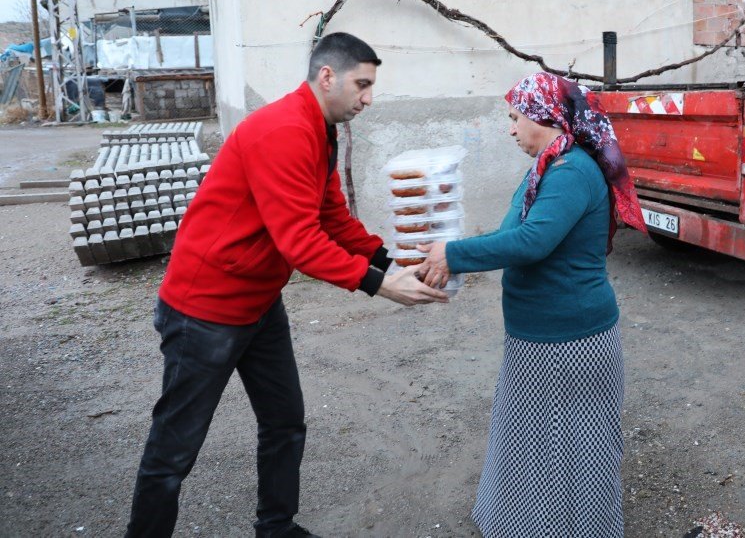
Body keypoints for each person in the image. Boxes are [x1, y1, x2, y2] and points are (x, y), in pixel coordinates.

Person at [125, 32, 449, 538]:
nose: (368, 98)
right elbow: (300, 242)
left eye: (371, 86)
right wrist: (381, 286)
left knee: (284, 422)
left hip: (258, 302)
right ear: (327, 76)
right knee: (175, 449)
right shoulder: (283, 130)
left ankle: (276, 528)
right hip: (205, 309)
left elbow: (331, 216)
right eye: (362, 85)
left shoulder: (321, 129)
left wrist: (394, 261)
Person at [417, 72, 647, 537]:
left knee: (573, 447)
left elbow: (531, 242)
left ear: (544, 116)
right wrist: (449, 254)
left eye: (515, 117)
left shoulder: (572, 172)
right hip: (541, 337)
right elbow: (510, 235)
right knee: (534, 443)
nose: (510, 129)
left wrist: (454, 255)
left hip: (569, 340)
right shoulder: (546, 168)